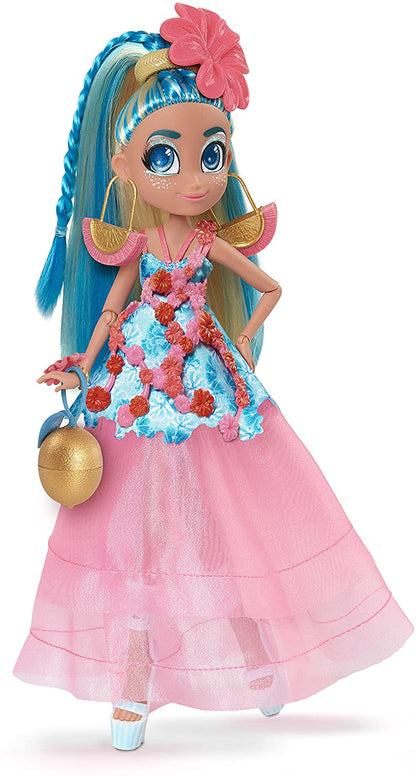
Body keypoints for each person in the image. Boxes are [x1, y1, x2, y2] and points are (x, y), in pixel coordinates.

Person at [13, 2, 414, 752]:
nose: (196, 177)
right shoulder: (139, 244)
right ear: (125, 165)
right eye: (165, 157)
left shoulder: (203, 243)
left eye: (213, 153)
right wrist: (84, 362)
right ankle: (135, 679)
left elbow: (271, 287)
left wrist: (241, 341)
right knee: (138, 531)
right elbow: (113, 309)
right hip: (139, 384)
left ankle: (258, 664)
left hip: (202, 379)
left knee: (222, 518)